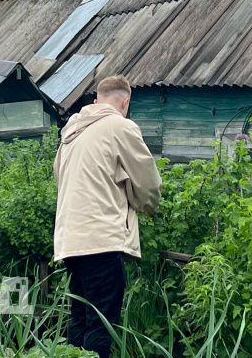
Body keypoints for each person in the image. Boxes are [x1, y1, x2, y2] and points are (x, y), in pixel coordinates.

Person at [53, 75, 162, 358]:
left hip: (70, 240)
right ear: (125, 102)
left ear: (95, 101)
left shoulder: (71, 133)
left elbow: (60, 178)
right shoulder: (120, 126)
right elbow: (147, 181)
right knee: (102, 323)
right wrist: (146, 206)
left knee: (80, 318)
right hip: (101, 238)